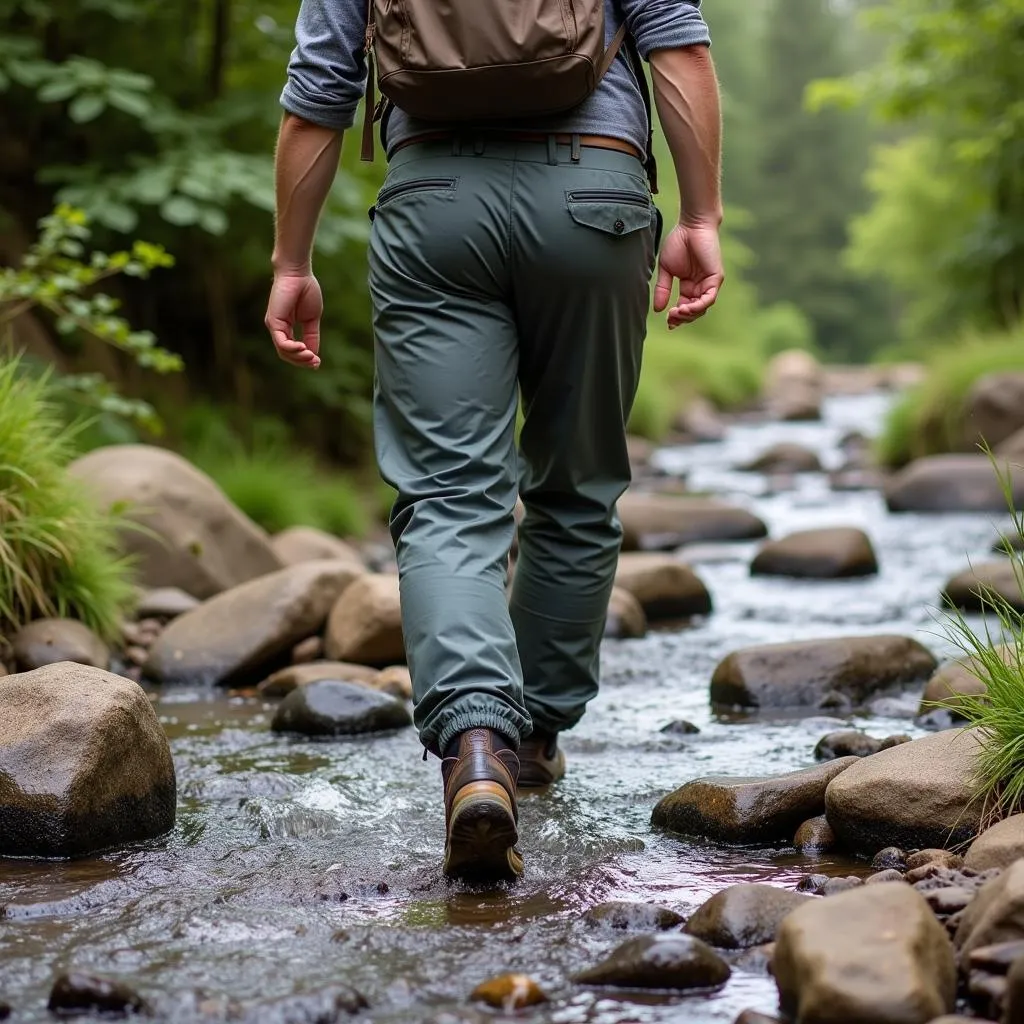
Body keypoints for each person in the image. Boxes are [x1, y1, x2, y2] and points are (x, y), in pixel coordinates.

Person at [267, 0, 723, 882]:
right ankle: (536, 735)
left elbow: (318, 92)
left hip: (434, 206)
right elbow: (679, 43)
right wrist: (701, 216)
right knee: (577, 483)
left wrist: (292, 264)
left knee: (447, 497)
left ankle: (479, 747)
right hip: (596, 197)